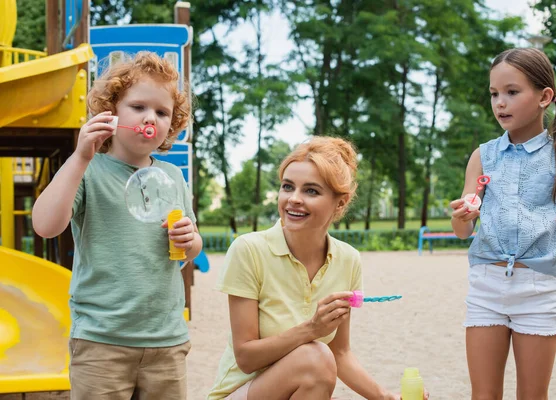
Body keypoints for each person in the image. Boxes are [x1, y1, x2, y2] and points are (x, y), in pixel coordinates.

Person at [32, 51, 203, 400]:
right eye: (138, 107)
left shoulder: (172, 177)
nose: (149, 118)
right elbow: (46, 226)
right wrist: (81, 156)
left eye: (162, 111)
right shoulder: (88, 170)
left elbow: (188, 251)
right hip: (101, 341)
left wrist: (191, 241)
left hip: (166, 340)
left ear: (173, 122)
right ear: (110, 112)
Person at [207, 136, 428, 400]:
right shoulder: (249, 250)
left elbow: (340, 353)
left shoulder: (348, 260)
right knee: (315, 359)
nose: (293, 199)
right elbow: (245, 357)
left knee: (319, 363)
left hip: (301, 388)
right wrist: (312, 329)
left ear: (341, 203)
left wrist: (388, 398)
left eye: (311, 191)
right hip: (240, 393)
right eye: (288, 187)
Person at [450, 47, 556, 400]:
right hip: (486, 286)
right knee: (483, 395)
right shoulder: (483, 156)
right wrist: (462, 216)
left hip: (538, 290)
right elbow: (463, 230)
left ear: (544, 97)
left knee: (532, 395)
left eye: (512, 92)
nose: (501, 103)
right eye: (495, 94)